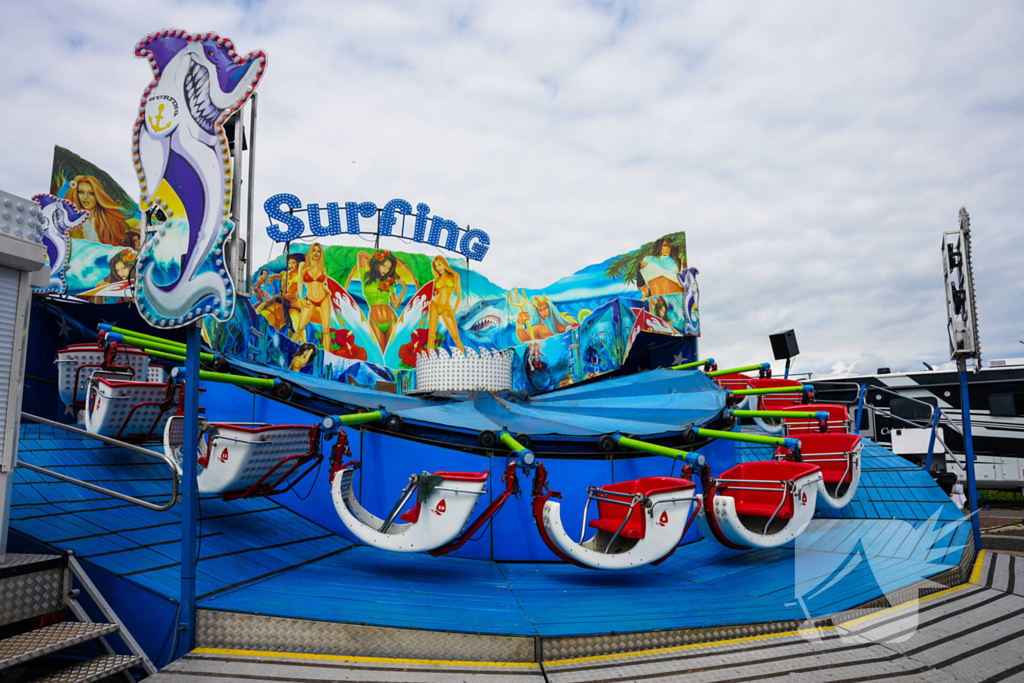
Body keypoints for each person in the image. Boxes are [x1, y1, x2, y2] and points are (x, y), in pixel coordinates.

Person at [346, 250, 418, 352]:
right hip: (375, 321)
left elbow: (396, 305)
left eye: (388, 268)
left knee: (392, 352)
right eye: (384, 265)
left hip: (391, 319)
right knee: (381, 352)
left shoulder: (390, 282)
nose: (386, 270)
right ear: (378, 264)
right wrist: (378, 259)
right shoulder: (366, 276)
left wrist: (404, 289)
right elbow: (361, 254)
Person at [65, 175, 134, 247]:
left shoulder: (109, 222)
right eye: (81, 192)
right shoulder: (70, 222)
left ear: (98, 196)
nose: (85, 197)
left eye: (91, 193)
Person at [292, 243, 334, 347]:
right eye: (314, 250)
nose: (316, 253)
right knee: (300, 329)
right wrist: (301, 298)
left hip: (324, 298)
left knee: (326, 330)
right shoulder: (303, 265)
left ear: (321, 254)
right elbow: (300, 282)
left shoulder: (322, 268)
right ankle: (289, 348)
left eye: (318, 251)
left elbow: (322, 284)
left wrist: (327, 290)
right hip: (310, 299)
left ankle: (326, 356)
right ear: (310, 252)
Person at [426, 256, 464, 353]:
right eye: (436, 266)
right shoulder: (436, 279)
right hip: (434, 305)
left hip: (446, 308)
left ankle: (464, 359)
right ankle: (430, 360)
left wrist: (454, 310)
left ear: (444, 264)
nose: (438, 268)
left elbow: (459, 295)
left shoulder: (455, 276)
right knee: (431, 335)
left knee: (456, 337)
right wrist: (431, 301)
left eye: (440, 264)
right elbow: (436, 294)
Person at [258, 254, 304, 334]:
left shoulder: (300, 276)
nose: (291, 265)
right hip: (281, 297)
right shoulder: (284, 274)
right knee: (263, 306)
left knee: (294, 319)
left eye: (293, 263)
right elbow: (276, 276)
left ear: (297, 263)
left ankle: (296, 332)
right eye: (289, 263)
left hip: (292, 301)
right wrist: (270, 278)